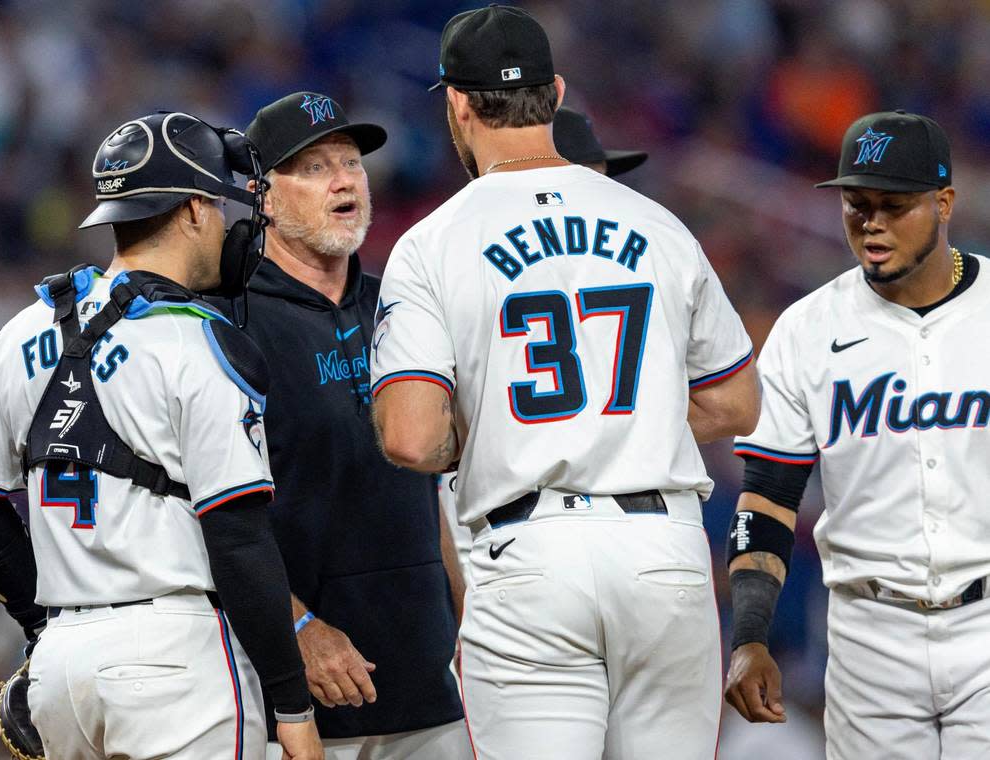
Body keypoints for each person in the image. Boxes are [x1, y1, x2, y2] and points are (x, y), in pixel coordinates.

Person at [370, 6, 760, 760]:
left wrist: (504, 427)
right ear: (555, 91)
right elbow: (736, 401)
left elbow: (410, 435)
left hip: (530, 555)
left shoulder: (431, 242)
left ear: (455, 101)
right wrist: (632, 417)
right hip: (663, 548)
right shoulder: (656, 224)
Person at [0, 111, 322, 760]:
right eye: (226, 204)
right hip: (174, 660)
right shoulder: (197, 341)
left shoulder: (25, 329)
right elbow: (238, 537)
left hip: (62, 666)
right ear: (197, 210)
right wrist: (292, 704)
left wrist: (44, 624)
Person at [211, 91, 471, 760]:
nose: (345, 179)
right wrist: (295, 625)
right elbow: (202, 510)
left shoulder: (403, 308)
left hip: (428, 678)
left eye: (352, 162)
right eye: (316, 165)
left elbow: (431, 491)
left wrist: (470, 615)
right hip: (292, 695)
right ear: (262, 195)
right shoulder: (223, 324)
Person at [725, 110, 990, 760]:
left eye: (894, 206)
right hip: (870, 635)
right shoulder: (805, 329)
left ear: (944, 203)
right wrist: (749, 636)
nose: (871, 223)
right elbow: (765, 501)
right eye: (856, 205)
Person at [438, 105, 650, 576]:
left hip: (589, 531)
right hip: (503, 519)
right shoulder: (468, 267)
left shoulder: (460, 257)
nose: (604, 196)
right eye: (593, 178)